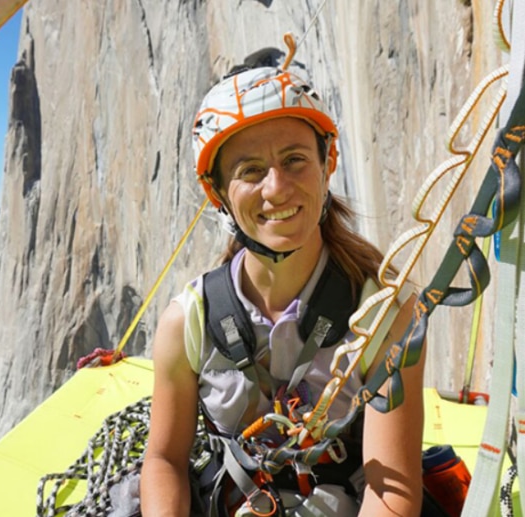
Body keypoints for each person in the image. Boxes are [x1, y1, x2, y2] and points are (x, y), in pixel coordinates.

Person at [140, 66, 425, 516]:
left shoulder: (386, 315)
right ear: (218, 195)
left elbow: (392, 486)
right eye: (250, 171)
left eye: (295, 160)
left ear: (327, 163)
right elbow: (164, 461)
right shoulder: (188, 323)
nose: (276, 188)